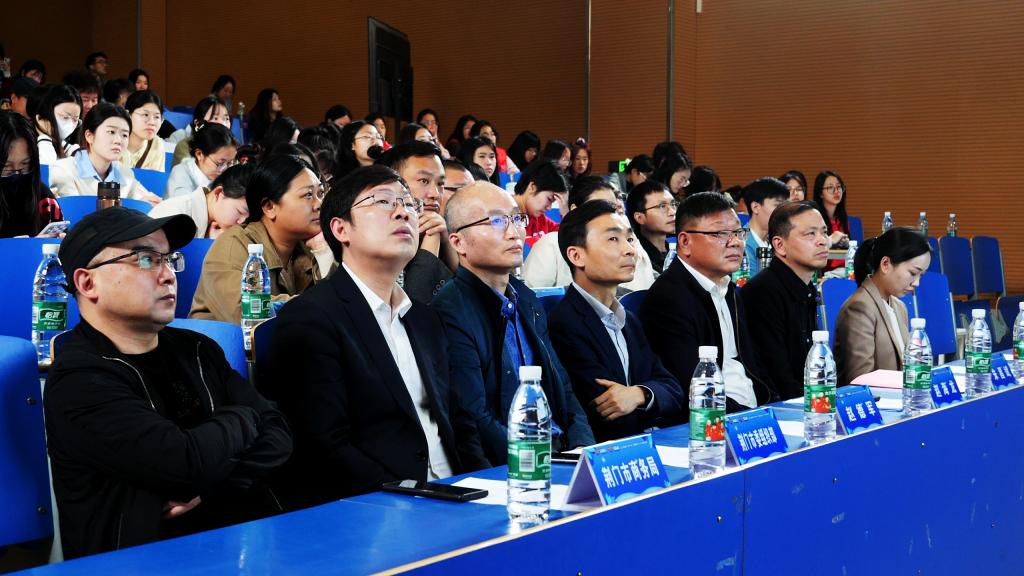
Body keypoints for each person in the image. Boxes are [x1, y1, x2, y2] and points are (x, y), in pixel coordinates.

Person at [45, 207, 292, 559]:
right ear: (87, 283)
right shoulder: (79, 379)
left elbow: (279, 435)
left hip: (238, 547)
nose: (168, 275)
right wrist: (245, 416)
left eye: (169, 259)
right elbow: (184, 463)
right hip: (137, 562)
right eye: (146, 259)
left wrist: (211, 485)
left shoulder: (198, 349)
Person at [265, 165, 489, 507]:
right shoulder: (311, 319)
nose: (403, 212)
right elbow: (325, 446)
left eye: (408, 203)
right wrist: (410, 497)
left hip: (456, 493)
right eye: (383, 201)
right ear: (341, 229)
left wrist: (487, 485)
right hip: (382, 504)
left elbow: (460, 422)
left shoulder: (425, 318)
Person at [432, 181, 595, 463]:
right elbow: (473, 417)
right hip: (517, 464)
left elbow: (563, 389)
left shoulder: (526, 299)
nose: (514, 232)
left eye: (517, 219)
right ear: (458, 242)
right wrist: (538, 461)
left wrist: (582, 448)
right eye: (497, 221)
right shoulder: (450, 309)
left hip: (558, 452)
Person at [548, 200, 685, 441]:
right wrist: (646, 397)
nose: (630, 249)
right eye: (613, 239)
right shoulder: (565, 324)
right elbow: (606, 410)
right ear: (576, 255)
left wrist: (639, 394)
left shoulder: (628, 319)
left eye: (630, 239)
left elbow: (673, 391)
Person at [639, 192, 778, 415]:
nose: (735, 242)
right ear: (685, 242)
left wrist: (775, 407)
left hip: (754, 412)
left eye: (738, 232)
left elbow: (754, 367)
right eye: (721, 234)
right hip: (715, 420)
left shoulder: (729, 289)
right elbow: (693, 388)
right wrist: (752, 417)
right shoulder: (668, 300)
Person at [190, 154, 332, 323]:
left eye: (320, 193)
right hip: (222, 339)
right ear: (269, 207)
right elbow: (248, 313)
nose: (319, 204)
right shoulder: (233, 245)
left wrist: (323, 252)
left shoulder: (311, 244)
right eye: (308, 195)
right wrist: (318, 305)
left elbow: (344, 303)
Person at [741, 201, 829, 400]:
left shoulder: (806, 289)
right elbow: (778, 377)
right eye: (810, 234)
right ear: (780, 245)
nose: (822, 241)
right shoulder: (762, 293)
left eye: (824, 232)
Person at [524, 176, 655, 292]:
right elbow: (534, 298)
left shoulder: (630, 242)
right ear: (575, 210)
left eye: (612, 208)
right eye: (598, 207)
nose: (608, 214)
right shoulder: (551, 243)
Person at [834, 228, 930, 384]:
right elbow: (861, 380)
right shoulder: (859, 308)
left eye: (921, 275)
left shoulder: (899, 306)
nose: (917, 283)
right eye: (913, 273)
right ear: (886, 264)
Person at [376, 141, 456, 303]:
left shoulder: (447, 232)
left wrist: (446, 242)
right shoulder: (377, 240)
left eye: (440, 184)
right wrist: (431, 241)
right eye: (424, 181)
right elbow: (413, 307)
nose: (435, 194)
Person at [48, 102, 161, 204]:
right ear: (89, 136)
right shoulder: (63, 170)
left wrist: (146, 203)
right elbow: (72, 212)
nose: (118, 140)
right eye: (111, 132)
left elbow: (150, 200)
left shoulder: (125, 174)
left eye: (124, 135)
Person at [0, 111, 63, 237]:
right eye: (7, 167)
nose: (17, 173)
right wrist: (19, 245)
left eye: (25, 165)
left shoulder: (43, 198)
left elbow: (62, 238)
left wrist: (58, 241)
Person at [149, 163, 253, 239]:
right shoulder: (175, 216)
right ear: (218, 193)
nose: (242, 223)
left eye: (249, 218)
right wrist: (208, 245)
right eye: (240, 212)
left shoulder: (219, 224)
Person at [166, 123, 237, 198]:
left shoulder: (220, 179)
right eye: (220, 163)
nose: (224, 170)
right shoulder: (180, 173)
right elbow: (184, 204)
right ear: (199, 154)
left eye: (230, 163)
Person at [741, 177, 789, 276]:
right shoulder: (741, 243)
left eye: (785, 206)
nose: (784, 212)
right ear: (755, 207)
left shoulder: (777, 240)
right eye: (777, 205)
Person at [626, 180, 676, 273]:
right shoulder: (637, 259)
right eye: (662, 206)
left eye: (673, 204)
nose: (673, 212)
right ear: (640, 217)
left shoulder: (678, 249)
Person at [169, 96, 231, 164]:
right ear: (198, 123)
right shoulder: (184, 145)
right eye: (215, 118)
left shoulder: (231, 149)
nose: (223, 123)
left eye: (226, 119)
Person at [33, 84, 82, 164]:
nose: (70, 125)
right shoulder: (28, 143)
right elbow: (46, 170)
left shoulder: (66, 147)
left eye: (75, 119)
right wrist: (44, 138)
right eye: (65, 117)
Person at [813, 169, 850, 271]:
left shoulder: (843, 219)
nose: (836, 191)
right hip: (822, 274)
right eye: (830, 188)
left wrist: (846, 244)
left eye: (839, 187)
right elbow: (811, 250)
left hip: (845, 272)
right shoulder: (815, 219)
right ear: (820, 193)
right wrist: (830, 240)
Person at [121, 90, 166, 171]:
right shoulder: (112, 141)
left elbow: (155, 178)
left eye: (156, 117)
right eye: (145, 115)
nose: (152, 122)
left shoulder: (156, 144)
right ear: (128, 115)